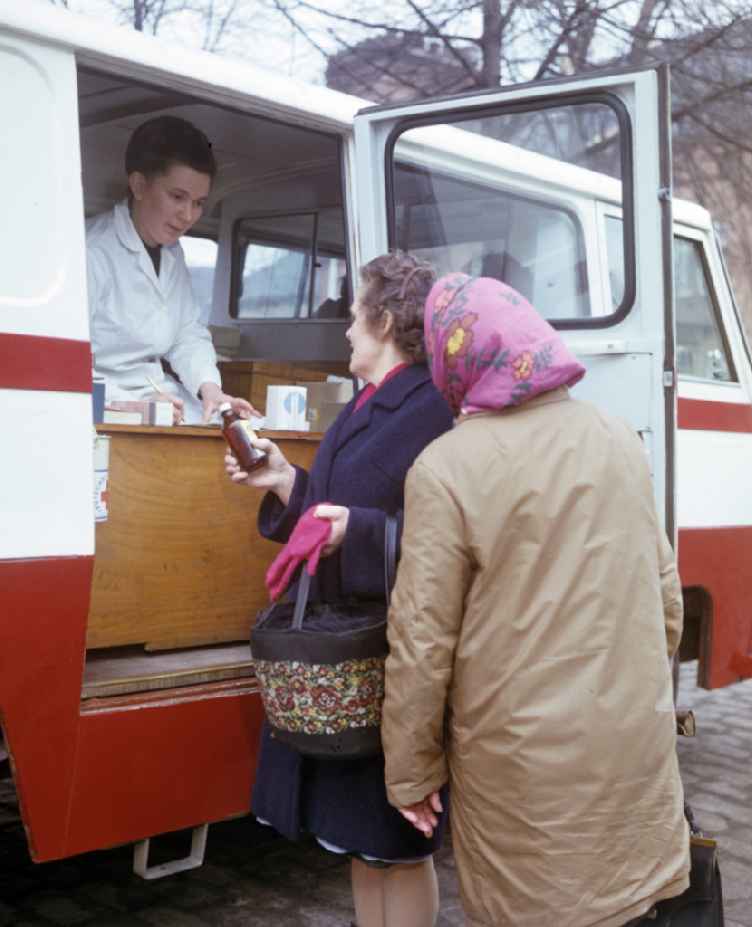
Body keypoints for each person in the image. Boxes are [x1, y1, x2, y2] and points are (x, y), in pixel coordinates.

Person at [381, 273, 691, 927]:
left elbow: (421, 643)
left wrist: (411, 774)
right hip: (633, 754)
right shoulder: (616, 436)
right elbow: (667, 605)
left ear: (453, 361)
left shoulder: (444, 467)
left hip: (522, 776)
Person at [224, 252, 453, 927]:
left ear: (384, 320)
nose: (347, 328)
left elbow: (446, 533)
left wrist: (358, 532)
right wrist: (282, 480)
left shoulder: (434, 407)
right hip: (349, 659)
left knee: (398, 844)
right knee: (360, 838)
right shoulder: (370, 403)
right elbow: (333, 504)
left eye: (355, 313)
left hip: (392, 661)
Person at [86, 115, 255, 424]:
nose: (188, 215)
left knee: (243, 430)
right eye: (177, 197)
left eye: (198, 203)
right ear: (138, 185)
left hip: (161, 395)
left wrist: (210, 389)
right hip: (103, 404)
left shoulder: (172, 253)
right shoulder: (92, 252)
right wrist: (123, 405)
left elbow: (186, 334)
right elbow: (63, 366)